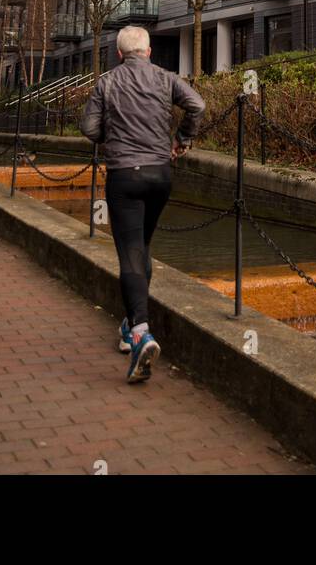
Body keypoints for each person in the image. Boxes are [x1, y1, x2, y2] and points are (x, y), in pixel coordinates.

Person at [80, 26, 205, 383]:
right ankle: (129, 324)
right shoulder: (166, 78)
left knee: (131, 253)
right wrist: (182, 140)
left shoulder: (107, 83)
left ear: (119, 54)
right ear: (149, 52)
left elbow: (89, 128)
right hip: (160, 175)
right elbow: (198, 105)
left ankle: (141, 334)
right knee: (143, 248)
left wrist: (113, 135)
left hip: (125, 176)